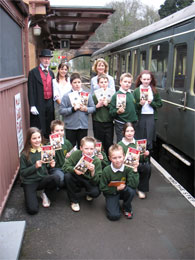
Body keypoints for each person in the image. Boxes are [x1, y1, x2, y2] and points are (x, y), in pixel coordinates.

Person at [19, 127, 60, 215]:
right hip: (29, 182)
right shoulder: (24, 154)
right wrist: (35, 167)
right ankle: (30, 194)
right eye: (34, 138)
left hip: (42, 179)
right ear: (29, 140)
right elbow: (22, 173)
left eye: (39, 137)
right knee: (32, 210)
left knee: (56, 178)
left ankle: (44, 193)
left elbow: (47, 166)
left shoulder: (45, 149)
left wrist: (51, 164)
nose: (37, 140)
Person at [100, 144, 139, 221]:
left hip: (124, 191)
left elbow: (134, 185)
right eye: (114, 158)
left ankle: (126, 206)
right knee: (114, 216)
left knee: (131, 191)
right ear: (110, 158)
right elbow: (102, 187)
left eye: (120, 157)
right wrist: (116, 188)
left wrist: (135, 170)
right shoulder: (106, 170)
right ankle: (112, 203)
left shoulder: (128, 167)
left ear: (124, 156)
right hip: (112, 193)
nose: (118, 160)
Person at [62, 136, 102, 212]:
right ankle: (74, 201)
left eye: (91, 149)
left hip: (88, 180)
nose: (89, 151)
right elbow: (65, 167)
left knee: (95, 192)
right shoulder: (76, 154)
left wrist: (93, 171)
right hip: (77, 176)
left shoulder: (96, 161)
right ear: (81, 148)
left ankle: (87, 193)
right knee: (67, 176)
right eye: (86, 148)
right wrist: (74, 170)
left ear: (94, 149)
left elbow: (97, 181)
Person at [59, 73, 95, 148]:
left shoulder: (87, 94)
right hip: (70, 126)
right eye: (75, 82)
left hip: (83, 126)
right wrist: (72, 109)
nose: (77, 84)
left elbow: (93, 108)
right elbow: (61, 111)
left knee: (82, 147)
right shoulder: (66, 96)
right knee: (71, 147)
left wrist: (86, 109)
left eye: (79, 82)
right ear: (71, 83)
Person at [118, 122, 151, 199]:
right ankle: (129, 185)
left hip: (135, 165)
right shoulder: (120, 145)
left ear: (134, 132)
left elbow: (142, 159)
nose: (129, 133)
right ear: (123, 132)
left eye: (131, 131)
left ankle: (141, 189)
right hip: (125, 168)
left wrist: (145, 155)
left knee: (147, 167)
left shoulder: (138, 143)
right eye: (127, 131)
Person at [28, 49, 55, 139]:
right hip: (39, 102)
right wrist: (32, 105)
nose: (46, 60)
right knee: (40, 124)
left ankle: (49, 144)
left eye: (48, 58)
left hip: (50, 102)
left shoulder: (51, 73)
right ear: (40, 59)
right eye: (44, 58)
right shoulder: (33, 72)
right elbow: (30, 89)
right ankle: (40, 143)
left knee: (49, 123)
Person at [133, 70, 162, 151]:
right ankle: (139, 159)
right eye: (144, 79)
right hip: (140, 116)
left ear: (151, 80)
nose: (146, 81)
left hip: (151, 116)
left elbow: (160, 104)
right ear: (141, 79)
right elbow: (133, 107)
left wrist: (152, 103)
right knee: (140, 137)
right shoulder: (136, 91)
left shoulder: (154, 90)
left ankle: (147, 158)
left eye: (148, 79)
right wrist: (140, 104)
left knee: (149, 138)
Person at [109, 73, 138, 143]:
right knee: (121, 142)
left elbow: (134, 108)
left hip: (131, 123)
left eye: (129, 82)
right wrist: (117, 111)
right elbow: (111, 112)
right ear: (120, 82)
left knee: (131, 142)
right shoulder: (116, 95)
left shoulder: (131, 94)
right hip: (121, 123)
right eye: (125, 82)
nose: (127, 84)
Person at [92, 74, 114, 155]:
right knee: (98, 143)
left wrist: (107, 105)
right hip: (98, 122)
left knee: (109, 143)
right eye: (101, 82)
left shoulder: (112, 95)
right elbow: (91, 109)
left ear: (108, 83)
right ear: (98, 84)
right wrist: (97, 106)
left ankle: (109, 159)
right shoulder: (94, 96)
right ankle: (100, 160)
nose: (104, 84)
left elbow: (113, 108)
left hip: (109, 122)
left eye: (105, 82)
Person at [49, 119, 73, 188]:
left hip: (66, 167)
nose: (60, 133)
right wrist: (52, 154)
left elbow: (71, 153)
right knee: (61, 180)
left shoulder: (67, 142)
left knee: (73, 178)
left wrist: (70, 156)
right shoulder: (49, 145)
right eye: (57, 131)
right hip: (57, 168)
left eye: (62, 130)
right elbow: (47, 163)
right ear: (52, 132)